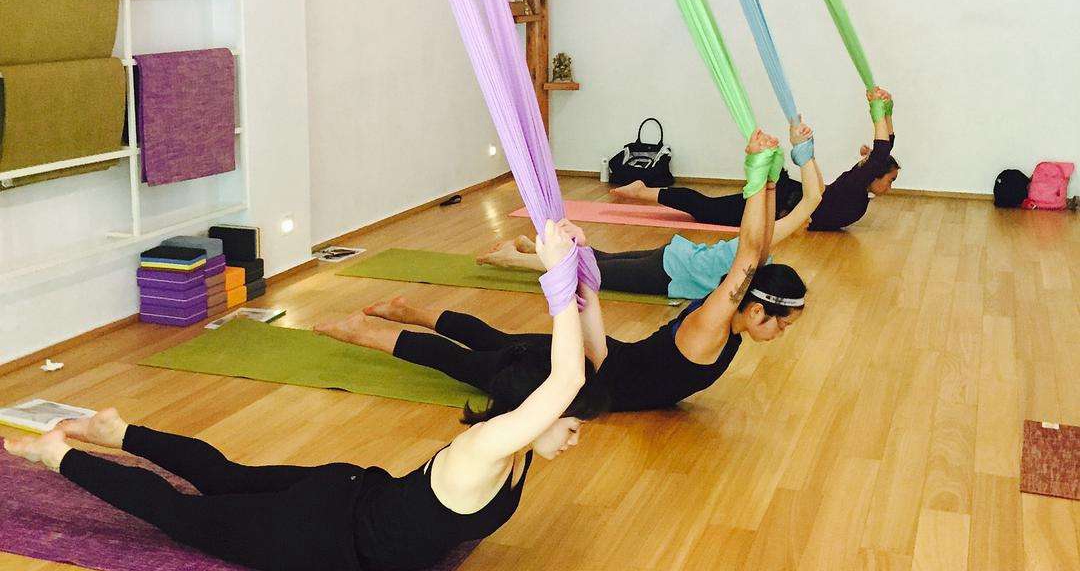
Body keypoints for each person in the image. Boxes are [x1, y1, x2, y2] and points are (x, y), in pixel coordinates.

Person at [5, 223, 590, 571]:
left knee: (225, 477)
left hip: (346, 490)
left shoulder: (510, 445)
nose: (574, 431)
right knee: (179, 513)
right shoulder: (485, 448)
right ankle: (60, 455)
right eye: (566, 419)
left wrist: (583, 275)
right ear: (531, 408)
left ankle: (120, 432)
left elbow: (589, 362)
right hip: (316, 528)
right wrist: (556, 274)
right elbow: (566, 377)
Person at [318, 130, 807, 415]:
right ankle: (362, 331)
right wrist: (755, 173)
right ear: (755, 309)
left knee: (497, 339)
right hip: (582, 378)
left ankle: (409, 310)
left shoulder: (730, 318)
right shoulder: (713, 325)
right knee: (465, 363)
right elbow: (749, 253)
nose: (782, 332)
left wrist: (768, 179)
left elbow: (759, 247)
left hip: (597, 357)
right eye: (782, 323)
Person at [477, 121, 823, 302]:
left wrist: (800, 153)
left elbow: (812, 198)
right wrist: (798, 151)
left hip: (673, 257)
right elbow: (812, 199)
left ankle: (530, 247)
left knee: (600, 260)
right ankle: (511, 259)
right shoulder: (757, 251)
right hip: (670, 272)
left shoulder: (762, 243)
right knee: (589, 271)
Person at [612, 89, 899, 233]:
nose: (891, 186)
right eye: (891, 179)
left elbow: (885, 150)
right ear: (874, 172)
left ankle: (770, 159)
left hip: (787, 197)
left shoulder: (860, 186)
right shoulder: (856, 186)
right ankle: (642, 191)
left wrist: (887, 112)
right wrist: (879, 111)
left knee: (710, 207)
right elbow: (882, 151)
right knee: (706, 209)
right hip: (781, 205)